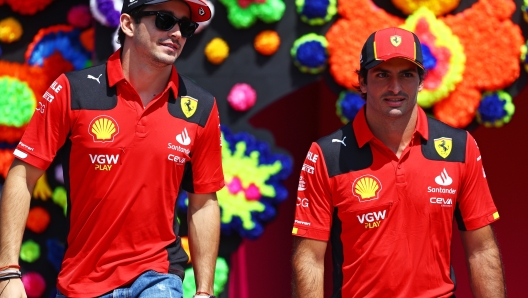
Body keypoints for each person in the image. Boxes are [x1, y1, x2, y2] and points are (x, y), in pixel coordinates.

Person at [0, 0, 223, 297]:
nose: (177, 33)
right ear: (128, 24)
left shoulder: (200, 106)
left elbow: (204, 202)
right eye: (165, 20)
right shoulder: (73, 90)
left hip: (159, 274)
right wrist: (7, 272)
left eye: (186, 26)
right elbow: (22, 176)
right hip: (82, 282)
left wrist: (204, 292)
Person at [291, 27, 505, 297]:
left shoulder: (459, 147)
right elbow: (309, 257)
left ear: (421, 81)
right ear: (363, 81)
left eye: (406, 74)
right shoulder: (327, 155)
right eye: (382, 74)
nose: (395, 87)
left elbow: (482, 248)